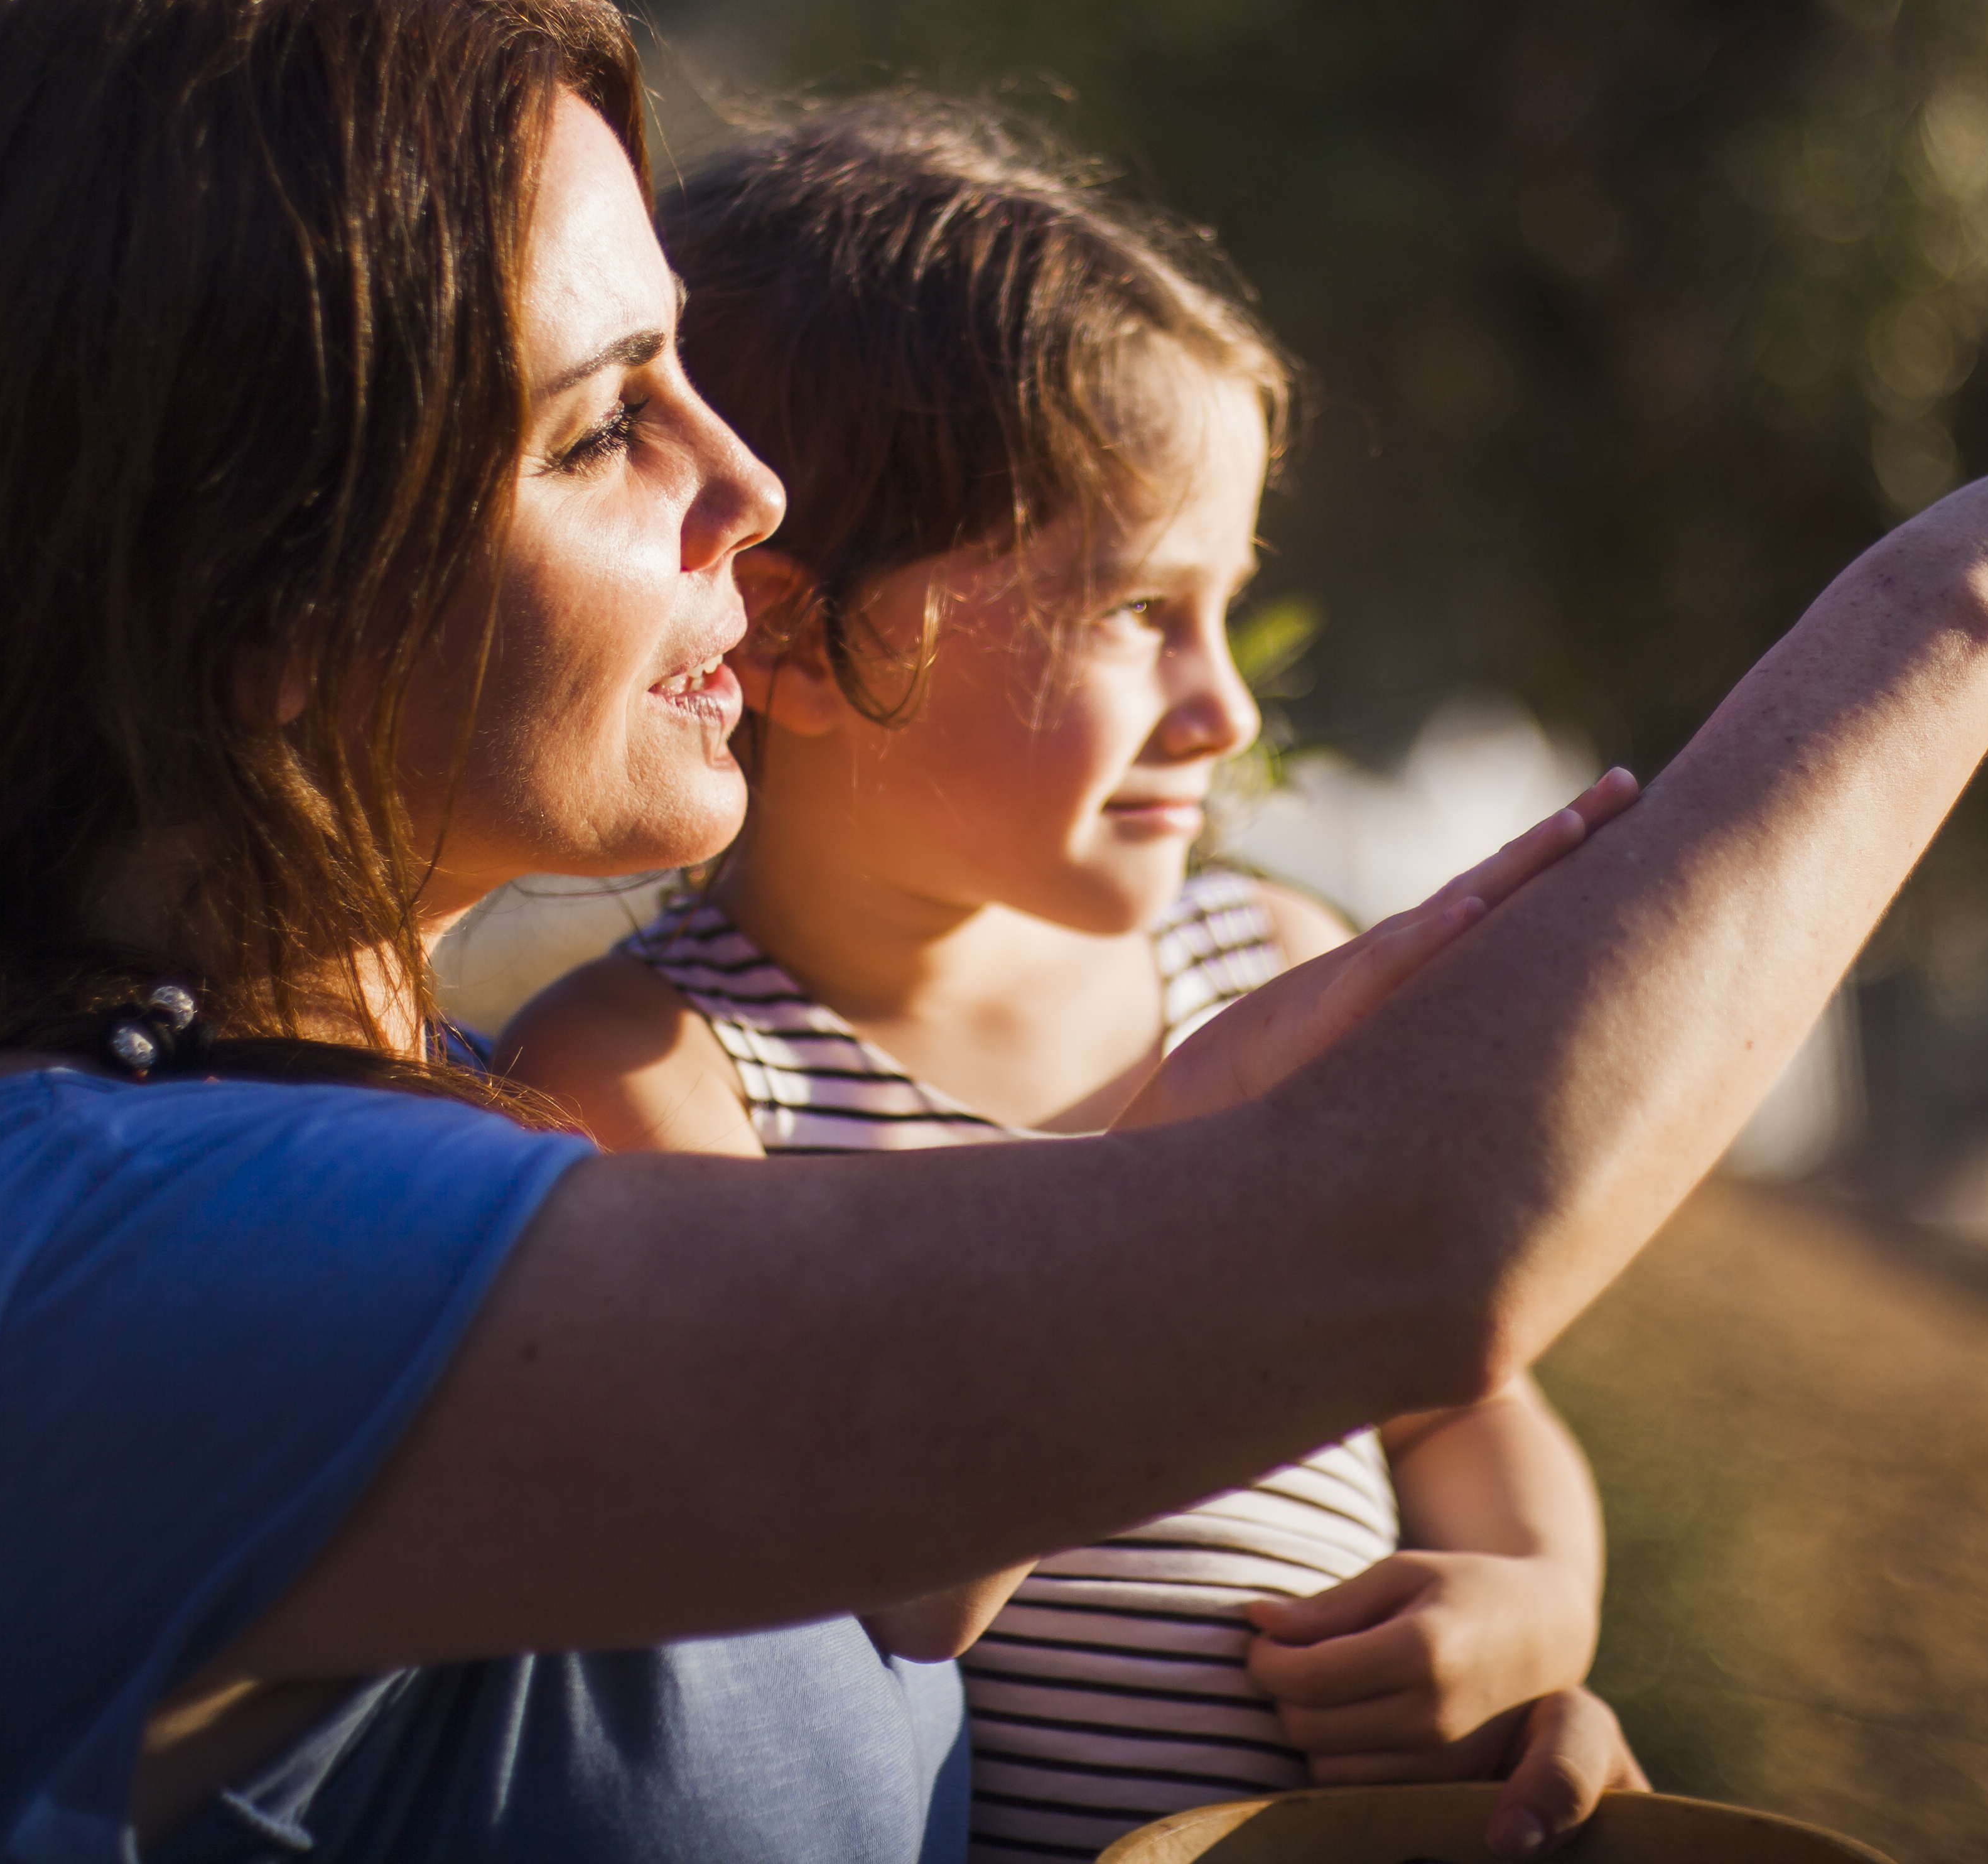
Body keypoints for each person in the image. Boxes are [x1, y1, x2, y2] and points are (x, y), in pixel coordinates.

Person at [0, 0, 1988, 1864]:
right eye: (614, 423)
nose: (747, 491)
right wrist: (1973, 596)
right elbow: (1422, 1254)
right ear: (258, 593)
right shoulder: (112, 1267)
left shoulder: (363, 1176)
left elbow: (999, 1517)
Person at [504, 97, 1631, 1862]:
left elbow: (1466, 1398)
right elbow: (885, 1584)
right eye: (1134, 610)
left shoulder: (1263, 964)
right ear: (794, 635)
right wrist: (1158, 1175)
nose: (1227, 705)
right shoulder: (663, 1082)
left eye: (1225, 602)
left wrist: (1531, 1605)